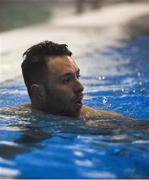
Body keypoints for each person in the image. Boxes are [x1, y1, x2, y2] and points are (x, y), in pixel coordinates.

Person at [21, 40, 125, 119]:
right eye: (66, 80)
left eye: (77, 76)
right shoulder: (14, 117)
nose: (80, 87)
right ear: (38, 93)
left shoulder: (103, 122)